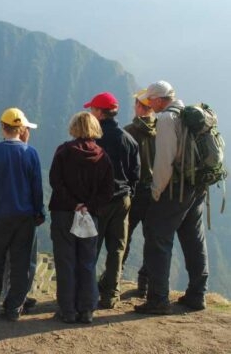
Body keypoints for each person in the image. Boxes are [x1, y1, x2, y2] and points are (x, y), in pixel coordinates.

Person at [134, 81, 209, 315]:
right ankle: (197, 294)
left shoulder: (166, 120)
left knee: (158, 238)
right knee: (193, 239)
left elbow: (164, 160)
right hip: (197, 187)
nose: (148, 104)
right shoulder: (189, 114)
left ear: (158, 99)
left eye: (150, 100)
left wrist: (157, 192)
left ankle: (158, 299)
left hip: (175, 190)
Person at [0, 107, 45, 321]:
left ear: (2, 127)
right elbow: (37, 187)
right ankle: (14, 307)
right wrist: (39, 212)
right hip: (25, 218)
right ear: (21, 128)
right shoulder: (30, 153)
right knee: (21, 264)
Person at [49, 111, 114, 324]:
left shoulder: (63, 152)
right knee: (87, 261)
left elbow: (55, 182)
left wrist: (72, 204)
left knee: (65, 261)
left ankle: (67, 310)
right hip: (89, 215)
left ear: (74, 127)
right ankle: (86, 310)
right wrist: (88, 206)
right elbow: (107, 191)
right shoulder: (103, 156)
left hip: (64, 214)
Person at [83, 92, 140, 309]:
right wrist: (127, 193)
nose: (90, 113)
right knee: (117, 248)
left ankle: (86, 294)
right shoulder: (129, 139)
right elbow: (136, 174)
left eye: (92, 109)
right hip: (122, 200)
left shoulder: (93, 140)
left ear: (99, 112)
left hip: (99, 202)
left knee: (91, 247)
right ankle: (111, 295)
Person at [122, 89, 156, 297]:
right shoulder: (163, 130)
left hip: (134, 192)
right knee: (152, 238)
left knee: (124, 237)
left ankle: (113, 280)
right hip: (156, 192)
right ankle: (145, 285)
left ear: (139, 107)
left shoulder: (128, 132)